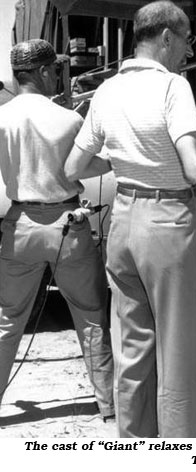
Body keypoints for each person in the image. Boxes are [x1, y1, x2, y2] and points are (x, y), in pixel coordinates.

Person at [63, 0, 196, 438]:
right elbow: (194, 169)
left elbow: (74, 168)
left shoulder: (107, 90)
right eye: (187, 40)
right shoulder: (173, 87)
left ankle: (134, 442)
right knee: (181, 347)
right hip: (168, 221)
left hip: (123, 222)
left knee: (132, 344)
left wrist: (125, 162)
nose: (189, 50)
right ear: (167, 37)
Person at [0, 39, 114, 419]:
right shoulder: (69, 119)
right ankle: (109, 406)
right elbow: (85, 166)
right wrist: (114, 158)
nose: (60, 80)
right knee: (91, 315)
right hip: (68, 225)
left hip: (20, 226)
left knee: (6, 320)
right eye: (57, 72)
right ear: (44, 71)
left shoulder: (2, 117)